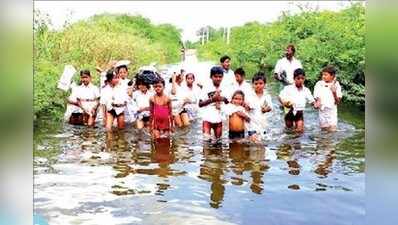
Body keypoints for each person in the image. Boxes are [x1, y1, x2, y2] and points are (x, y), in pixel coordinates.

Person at [278, 68, 319, 133]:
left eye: (302, 78)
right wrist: (284, 103)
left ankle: (297, 142)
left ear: (304, 79)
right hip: (289, 113)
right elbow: (280, 97)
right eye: (298, 78)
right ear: (294, 79)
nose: (300, 80)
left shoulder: (306, 90)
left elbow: (312, 101)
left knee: (299, 131)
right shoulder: (288, 88)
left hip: (299, 113)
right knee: (289, 131)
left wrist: (315, 104)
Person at [199, 66, 229, 140]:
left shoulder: (225, 87)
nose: (218, 79)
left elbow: (228, 102)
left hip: (219, 118)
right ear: (211, 77)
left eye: (220, 77)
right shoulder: (206, 88)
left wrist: (223, 99)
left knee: (218, 142)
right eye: (215, 76)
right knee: (206, 141)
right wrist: (212, 99)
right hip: (207, 118)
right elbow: (200, 104)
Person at [313, 65, 342, 131]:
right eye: (322, 75)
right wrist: (317, 102)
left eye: (325, 75)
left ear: (332, 76)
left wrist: (334, 92)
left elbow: (337, 102)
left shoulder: (336, 85)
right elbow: (317, 97)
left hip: (332, 112)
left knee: (332, 131)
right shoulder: (319, 84)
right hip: (322, 112)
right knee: (324, 131)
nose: (323, 76)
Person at [246, 73, 273, 142]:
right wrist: (247, 107)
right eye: (256, 84)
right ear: (252, 85)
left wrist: (266, 109)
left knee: (262, 146)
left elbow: (270, 108)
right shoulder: (249, 95)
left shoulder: (267, 96)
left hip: (262, 124)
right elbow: (245, 106)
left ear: (264, 85)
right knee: (255, 143)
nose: (258, 85)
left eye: (261, 83)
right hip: (251, 125)